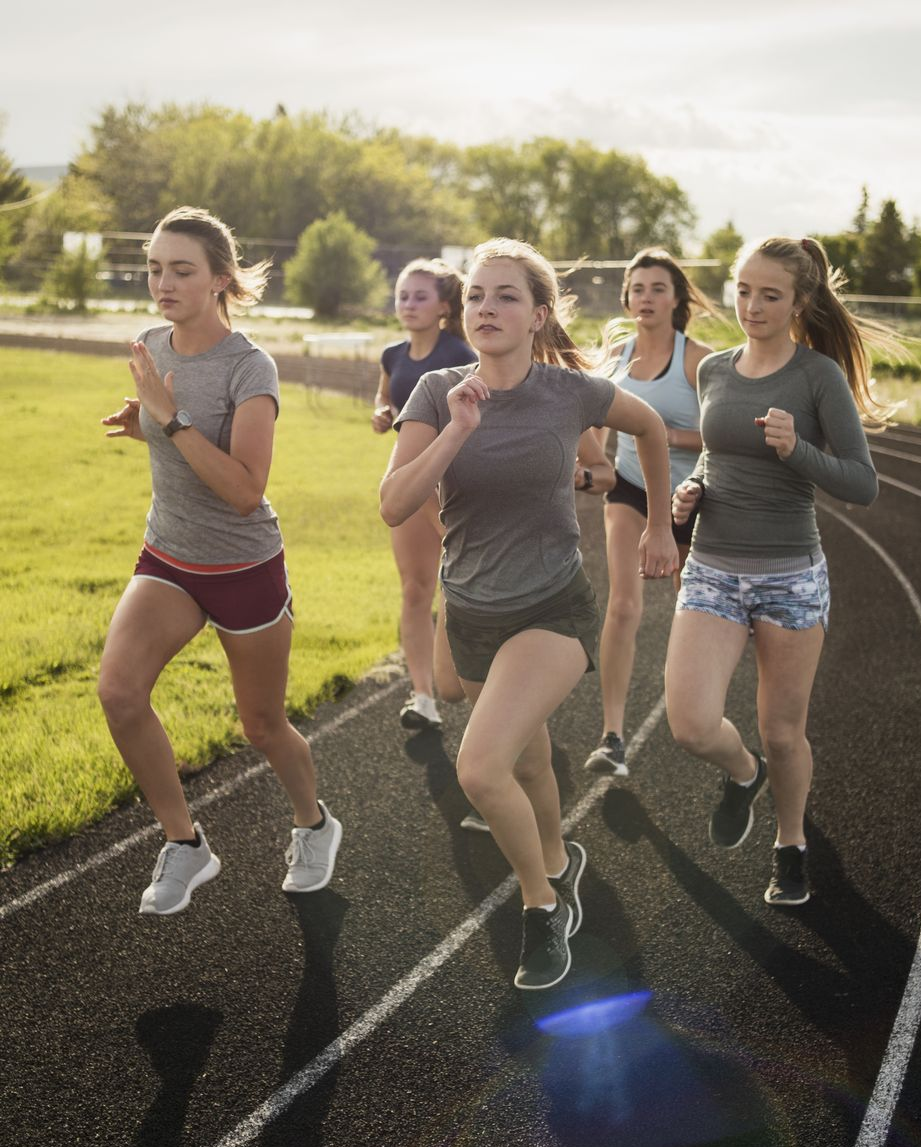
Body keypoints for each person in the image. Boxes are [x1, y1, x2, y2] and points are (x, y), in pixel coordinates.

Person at [380, 238, 675, 990]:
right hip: (472, 609)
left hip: (551, 609)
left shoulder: (569, 392)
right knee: (529, 757)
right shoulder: (435, 391)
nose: (487, 308)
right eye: (477, 295)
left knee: (480, 767)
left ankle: (543, 907)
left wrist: (659, 522)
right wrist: (457, 429)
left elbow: (648, 427)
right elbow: (393, 503)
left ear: (538, 314)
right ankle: (558, 856)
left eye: (506, 296)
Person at [97, 206, 342, 914]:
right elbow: (168, 424)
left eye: (181, 270)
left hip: (242, 566)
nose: (163, 283)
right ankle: (186, 842)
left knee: (261, 725)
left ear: (220, 279)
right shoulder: (149, 342)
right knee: (118, 692)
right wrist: (140, 420)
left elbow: (243, 490)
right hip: (169, 555)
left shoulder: (250, 367)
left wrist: (167, 418)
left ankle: (314, 823)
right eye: (154, 268)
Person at [665, 235, 904, 908]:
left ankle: (790, 841)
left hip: (789, 577)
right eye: (743, 289)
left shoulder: (816, 377)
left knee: (782, 729)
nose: (752, 304)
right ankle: (743, 774)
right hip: (711, 566)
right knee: (688, 722)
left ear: (800, 301)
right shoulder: (713, 371)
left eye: (770, 294)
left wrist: (798, 450)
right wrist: (694, 491)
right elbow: (716, 457)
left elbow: (863, 484)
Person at [584, 248, 717, 778]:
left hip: (694, 494)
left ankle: (702, 717)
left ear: (676, 299)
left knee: (698, 611)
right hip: (631, 490)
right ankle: (612, 736)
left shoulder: (697, 360)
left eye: (657, 288)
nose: (646, 298)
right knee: (623, 606)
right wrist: (591, 464)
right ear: (626, 298)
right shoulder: (615, 356)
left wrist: (659, 433)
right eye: (637, 289)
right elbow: (595, 421)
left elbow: (722, 434)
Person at [371, 259, 477, 732]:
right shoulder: (393, 354)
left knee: (468, 590)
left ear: (444, 307)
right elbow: (388, 401)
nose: (408, 305)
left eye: (420, 297)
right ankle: (423, 698)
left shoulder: (462, 353)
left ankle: (489, 699)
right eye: (402, 296)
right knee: (416, 589)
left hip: (462, 483)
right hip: (412, 486)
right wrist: (380, 414)